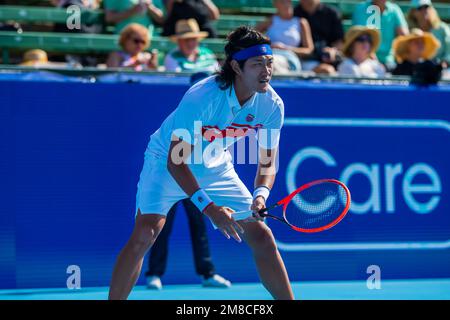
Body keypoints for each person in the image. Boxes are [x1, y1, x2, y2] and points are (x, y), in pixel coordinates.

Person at [108, 26, 294, 300]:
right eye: (257, 64)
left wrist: (260, 195)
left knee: (263, 237)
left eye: (269, 63)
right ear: (236, 67)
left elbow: (267, 163)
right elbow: (176, 162)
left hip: (214, 165)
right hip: (166, 163)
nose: (266, 71)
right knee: (145, 234)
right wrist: (210, 209)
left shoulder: (271, 105)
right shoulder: (203, 97)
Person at [146, 199, 231, 289]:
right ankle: (154, 274)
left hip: (192, 187)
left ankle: (208, 274)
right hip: (169, 186)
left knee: (199, 225)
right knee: (162, 226)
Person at [256, 0, 314, 73]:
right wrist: (268, 46)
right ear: (276, 4)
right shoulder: (270, 21)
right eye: (283, 2)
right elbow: (251, 36)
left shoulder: (301, 22)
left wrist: (286, 48)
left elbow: (309, 50)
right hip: (270, 56)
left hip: (290, 59)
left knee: (271, 63)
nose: (287, 4)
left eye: (288, 1)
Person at [352, 0, 409, 68]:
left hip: (389, 62)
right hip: (365, 60)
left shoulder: (395, 9)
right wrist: (374, 61)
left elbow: (405, 36)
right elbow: (360, 36)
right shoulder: (361, 8)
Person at [293, 0, 344, 74]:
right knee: (328, 71)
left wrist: (332, 50)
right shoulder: (295, 13)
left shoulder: (332, 13)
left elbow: (339, 41)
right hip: (304, 60)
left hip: (329, 60)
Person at [406, 0, 450, 65]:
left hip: (440, 69)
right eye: (420, 8)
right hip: (416, 70)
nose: (424, 10)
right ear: (413, 12)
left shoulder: (442, 29)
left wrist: (444, 63)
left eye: (426, 7)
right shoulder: (409, 31)